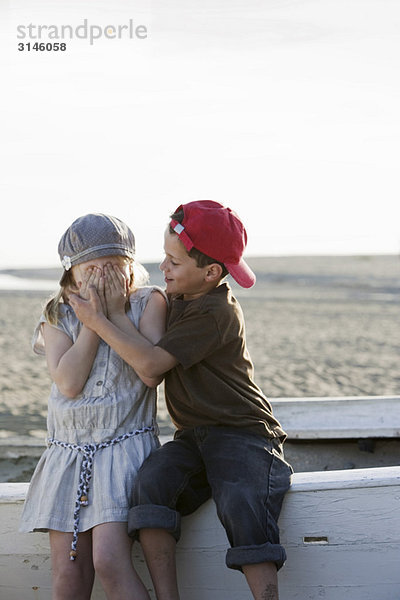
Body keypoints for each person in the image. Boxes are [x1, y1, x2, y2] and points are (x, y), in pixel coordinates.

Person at [69, 201, 292, 600]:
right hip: (192, 436)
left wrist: (98, 320)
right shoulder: (175, 300)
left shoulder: (216, 311)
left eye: (174, 261)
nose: (163, 268)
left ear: (210, 273)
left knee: (242, 500)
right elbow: (137, 329)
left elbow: (152, 364)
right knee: (151, 484)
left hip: (243, 433)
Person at [20, 213, 167, 600]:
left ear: (131, 269)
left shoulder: (147, 303)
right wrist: (90, 321)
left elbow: (150, 372)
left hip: (123, 447)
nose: (102, 276)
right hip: (68, 452)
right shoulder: (57, 313)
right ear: (71, 275)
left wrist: (110, 316)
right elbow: (68, 383)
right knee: (68, 573)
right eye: (92, 268)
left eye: (113, 266)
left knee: (109, 560)